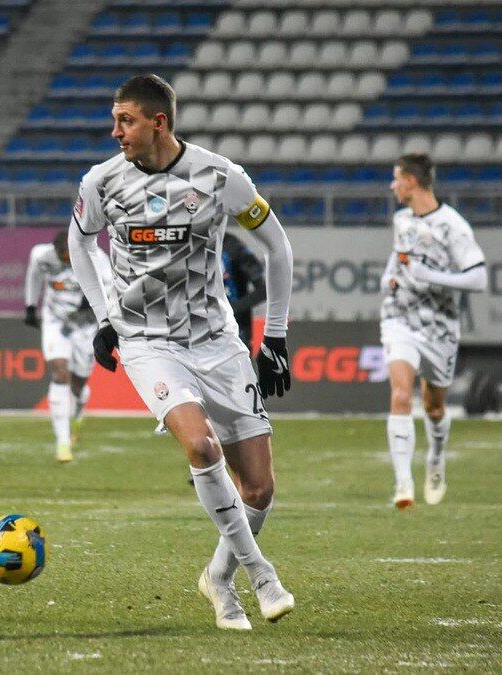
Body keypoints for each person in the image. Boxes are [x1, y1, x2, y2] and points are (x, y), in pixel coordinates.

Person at [68, 74, 296, 631]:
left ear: (159, 122)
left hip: (216, 340)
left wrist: (275, 335)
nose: (115, 131)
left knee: (259, 488)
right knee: (200, 444)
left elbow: (277, 245)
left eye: (125, 120)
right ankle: (261, 574)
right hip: (147, 341)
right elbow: (79, 241)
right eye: (115, 120)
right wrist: (104, 318)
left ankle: (218, 579)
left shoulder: (220, 177)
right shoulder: (102, 182)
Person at [380, 153, 487, 509]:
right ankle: (403, 484)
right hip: (400, 319)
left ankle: (436, 457)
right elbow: (400, 257)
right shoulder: (401, 220)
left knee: (434, 407)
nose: (393, 185)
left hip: (439, 327)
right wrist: (390, 277)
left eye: (397, 178)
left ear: (411, 181)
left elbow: (478, 277)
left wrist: (432, 277)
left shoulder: (452, 225)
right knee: (400, 395)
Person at [24, 230, 111, 462]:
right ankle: (62, 443)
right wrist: (30, 306)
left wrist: (92, 300)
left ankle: (80, 405)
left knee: (78, 383)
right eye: (62, 258)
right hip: (56, 320)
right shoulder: (41, 255)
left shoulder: (96, 258)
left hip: (85, 325)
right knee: (59, 372)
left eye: (69, 258)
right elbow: (34, 276)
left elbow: (111, 286)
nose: (66, 263)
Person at [222, 232, 266, 347]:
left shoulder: (232, 245)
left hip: (236, 331)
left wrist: (229, 309)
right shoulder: (190, 244)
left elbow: (263, 291)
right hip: (199, 331)